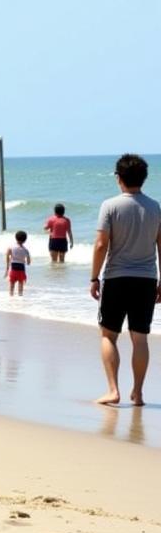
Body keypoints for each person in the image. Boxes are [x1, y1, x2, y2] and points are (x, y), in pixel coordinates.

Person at [90, 154, 161, 407]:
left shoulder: (110, 206)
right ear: (144, 178)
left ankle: (113, 390)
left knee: (108, 335)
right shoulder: (155, 207)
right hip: (146, 280)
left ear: (118, 178)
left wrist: (94, 277)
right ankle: (138, 393)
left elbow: (101, 245)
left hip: (117, 278)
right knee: (139, 337)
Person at [5, 230, 31, 297]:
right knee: (20, 284)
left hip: (13, 268)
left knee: (12, 284)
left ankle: (11, 296)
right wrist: (25, 260)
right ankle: (20, 296)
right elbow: (28, 262)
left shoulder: (11, 247)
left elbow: (7, 256)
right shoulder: (26, 250)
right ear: (25, 240)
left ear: (15, 238)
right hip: (21, 269)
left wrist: (7, 267)